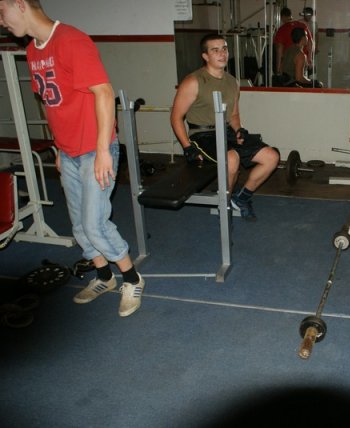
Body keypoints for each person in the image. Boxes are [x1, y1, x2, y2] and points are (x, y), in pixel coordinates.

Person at [0, 0, 145, 316]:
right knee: (79, 225)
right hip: (68, 152)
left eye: (1, 11)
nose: (1, 21)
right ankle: (104, 276)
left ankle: (132, 279)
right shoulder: (33, 50)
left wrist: (103, 150)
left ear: (20, 4)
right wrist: (59, 147)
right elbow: (51, 103)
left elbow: (103, 92)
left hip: (95, 149)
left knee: (95, 224)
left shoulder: (71, 40)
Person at [170, 33, 280, 221]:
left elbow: (234, 115)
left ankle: (241, 199)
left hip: (226, 131)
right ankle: (224, 203)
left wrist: (239, 130)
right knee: (232, 158)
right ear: (205, 56)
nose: (222, 54)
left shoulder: (232, 81)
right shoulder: (193, 81)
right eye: (215, 50)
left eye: (224, 49)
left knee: (271, 157)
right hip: (202, 135)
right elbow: (176, 117)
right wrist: (187, 147)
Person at [273, 6, 314, 75]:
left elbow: (279, 49)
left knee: (294, 79)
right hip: (303, 61)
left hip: (290, 63)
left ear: (283, 17)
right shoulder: (302, 25)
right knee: (302, 77)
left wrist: (278, 68)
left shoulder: (282, 29)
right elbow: (310, 42)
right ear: (290, 15)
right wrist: (310, 59)